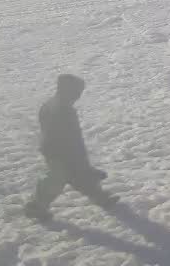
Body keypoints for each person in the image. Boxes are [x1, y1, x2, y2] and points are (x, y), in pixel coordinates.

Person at [25, 74, 116, 220]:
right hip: (57, 152)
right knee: (56, 179)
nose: (78, 96)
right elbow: (66, 136)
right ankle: (35, 206)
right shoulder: (62, 109)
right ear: (66, 90)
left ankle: (101, 197)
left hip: (60, 149)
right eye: (76, 92)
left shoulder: (55, 105)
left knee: (80, 175)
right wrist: (76, 157)